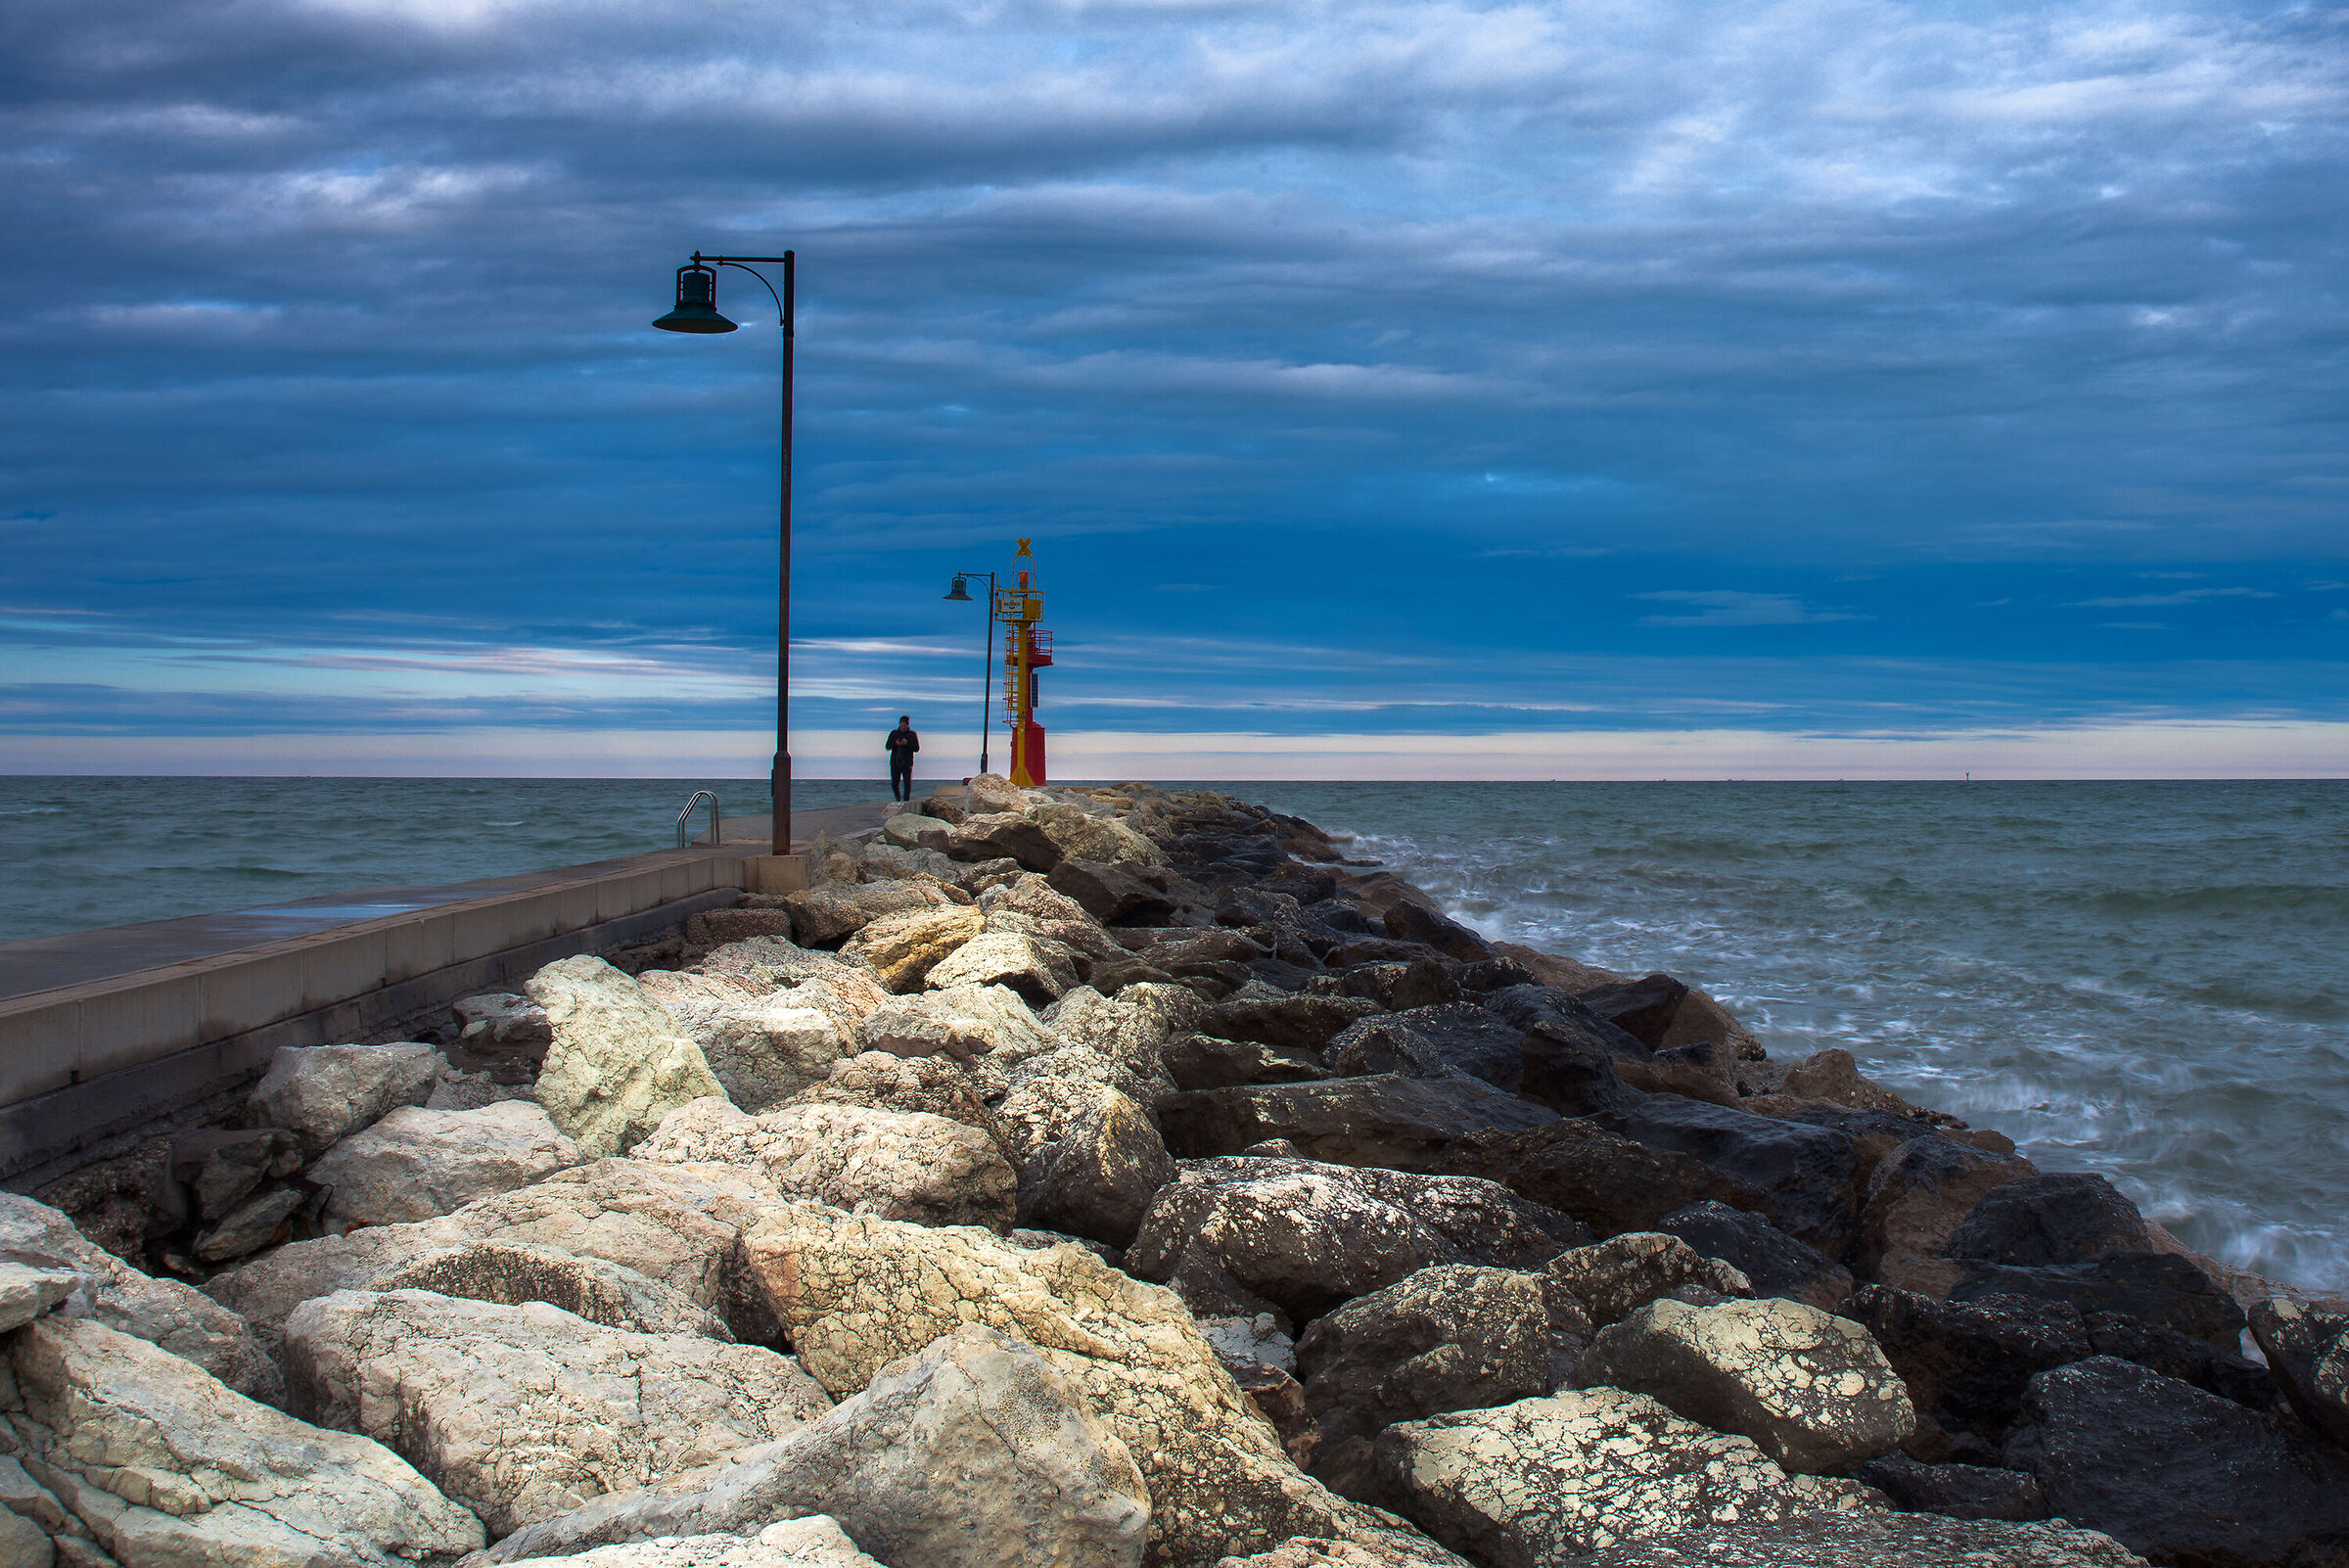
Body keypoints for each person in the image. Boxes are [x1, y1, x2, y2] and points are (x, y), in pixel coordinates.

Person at [886, 715, 919, 803]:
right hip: (895, 761)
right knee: (894, 782)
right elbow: (887, 746)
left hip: (907, 762)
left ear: (907, 725)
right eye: (901, 725)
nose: (902, 727)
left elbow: (916, 748)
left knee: (907, 781)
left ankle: (906, 800)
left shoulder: (912, 734)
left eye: (904, 725)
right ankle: (898, 798)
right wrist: (896, 743)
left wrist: (907, 743)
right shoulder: (894, 733)